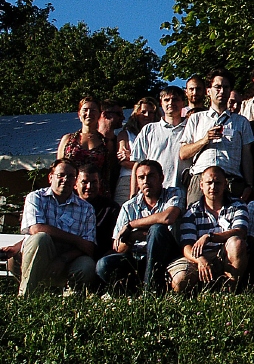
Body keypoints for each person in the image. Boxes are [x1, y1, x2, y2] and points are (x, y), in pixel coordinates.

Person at [95, 160, 183, 292]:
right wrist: (133, 237)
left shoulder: (173, 193)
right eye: (141, 177)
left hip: (166, 256)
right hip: (136, 257)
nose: (146, 181)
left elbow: (167, 217)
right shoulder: (128, 207)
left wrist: (131, 225)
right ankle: (133, 291)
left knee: (157, 229)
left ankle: (151, 290)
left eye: (151, 176)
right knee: (104, 265)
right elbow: (118, 247)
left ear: (161, 178)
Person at [18, 159, 97, 296]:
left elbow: (88, 246)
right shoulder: (36, 198)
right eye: (61, 175)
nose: (65, 180)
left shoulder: (86, 209)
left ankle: (71, 302)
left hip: (69, 258)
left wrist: (63, 258)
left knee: (87, 265)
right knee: (41, 238)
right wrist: (76, 240)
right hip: (40, 253)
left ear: (75, 181)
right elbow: (36, 229)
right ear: (50, 177)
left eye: (70, 176)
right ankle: (27, 297)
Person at [178, 70, 254, 204]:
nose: (222, 91)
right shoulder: (196, 119)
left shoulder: (241, 121)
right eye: (217, 87)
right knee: (194, 216)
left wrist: (249, 184)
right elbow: (183, 153)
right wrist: (204, 140)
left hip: (230, 180)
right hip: (201, 178)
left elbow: (247, 155)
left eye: (226, 87)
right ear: (208, 91)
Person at [169, 166, 249, 293]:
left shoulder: (238, 206)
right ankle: (200, 292)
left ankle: (229, 290)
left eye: (218, 183)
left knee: (237, 243)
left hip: (225, 255)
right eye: (209, 183)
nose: (213, 187)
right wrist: (200, 260)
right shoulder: (192, 212)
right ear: (201, 185)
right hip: (199, 257)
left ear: (225, 185)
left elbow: (240, 231)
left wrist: (210, 237)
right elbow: (186, 246)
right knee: (180, 281)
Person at [132, 85, 188, 190]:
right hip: (154, 191)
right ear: (161, 103)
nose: (171, 103)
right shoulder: (149, 129)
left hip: (183, 191)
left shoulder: (191, 128)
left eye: (175, 99)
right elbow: (138, 164)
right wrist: (133, 194)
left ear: (183, 103)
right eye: (166, 100)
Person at [57, 96, 113, 195]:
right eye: (85, 110)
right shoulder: (68, 140)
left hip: (96, 193)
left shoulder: (106, 143)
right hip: (70, 192)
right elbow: (59, 168)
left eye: (93, 110)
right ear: (79, 114)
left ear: (99, 114)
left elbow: (109, 172)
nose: (89, 113)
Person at [113, 98, 158, 204]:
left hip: (151, 180)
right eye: (143, 112)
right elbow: (123, 161)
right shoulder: (126, 134)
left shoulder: (159, 135)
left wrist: (132, 157)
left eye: (151, 112)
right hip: (127, 179)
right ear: (136, 114)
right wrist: (148, 163)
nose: (147, 115)